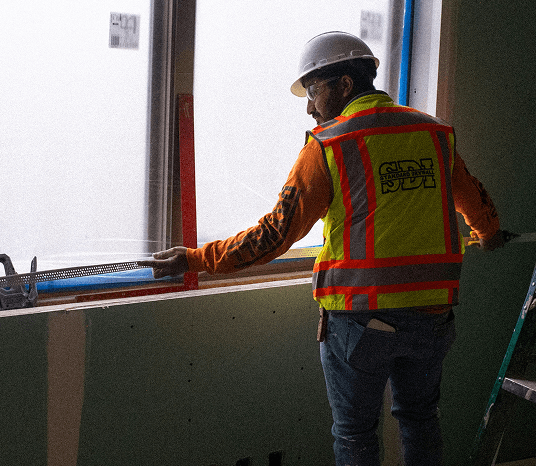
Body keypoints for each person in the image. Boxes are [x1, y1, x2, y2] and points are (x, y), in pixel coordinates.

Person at [138, 31, 503, 466]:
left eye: (313, 92)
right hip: (432, 317)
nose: (310, 107)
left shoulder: (330, 144)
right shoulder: (434, 133)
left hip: (361, 323)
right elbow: (475, 201)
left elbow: (274, 234)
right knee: (421, 419)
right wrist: (489, 233)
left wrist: (197, 258)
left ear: (344, 86)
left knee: (355, 436)